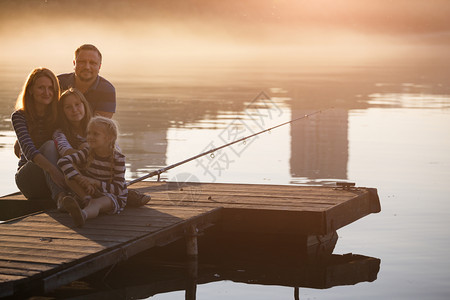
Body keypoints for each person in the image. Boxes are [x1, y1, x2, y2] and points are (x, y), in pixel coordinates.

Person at [54, 88, 150, 207]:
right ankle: (87, 199)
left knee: (89, 149)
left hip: (103, 174)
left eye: (77, 105)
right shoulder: (60, 133)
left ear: (84, 105)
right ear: (62, 111)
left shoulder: (97, 126)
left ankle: (121, 195)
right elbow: (65, 152)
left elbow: (115, 150)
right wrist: (87, 153)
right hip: (80, 175)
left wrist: (95, 152)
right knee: (74, 162)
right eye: (68, 107)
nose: (74, 110)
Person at [57, 116, 127, 227]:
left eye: (95, 134)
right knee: (69, 177)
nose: (90, 137)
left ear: (109, 138)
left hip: (111, 196)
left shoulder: (118, 159)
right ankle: (85, 199)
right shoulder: (87, 152)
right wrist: (80, 178)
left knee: (97, 203)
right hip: (91, 192)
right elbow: (63, 161)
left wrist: (95, 182)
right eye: (88, 133)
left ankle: (83, 215)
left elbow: (118, 189)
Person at [11, 67, 66, 204]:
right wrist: (53, 170)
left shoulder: (59, 115)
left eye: (50, 88)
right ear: (30, 90)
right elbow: (29, 150)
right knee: (49, 146)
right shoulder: (19, 116)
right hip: (29, 179)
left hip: (56, 179)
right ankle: (61, 199)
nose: (47, 92)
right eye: (41, 88)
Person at [58, 44, 115, 118]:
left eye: (92, 63)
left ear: (99, 66)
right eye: (82, 62)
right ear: (74, 64)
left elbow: (99, 125)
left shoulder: (107, 90)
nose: (87, 67)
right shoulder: (58, 82)